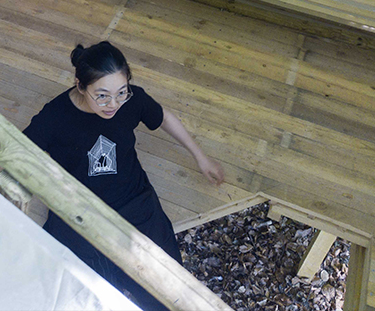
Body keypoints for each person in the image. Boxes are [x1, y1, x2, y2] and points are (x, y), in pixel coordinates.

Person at [23, 41, 224, 310]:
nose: (113, 104)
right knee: (81, 292)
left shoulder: (131, 101)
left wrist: (201, 157)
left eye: (121, 92)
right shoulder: (55, 116)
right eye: (102, 95)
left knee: (166, 287)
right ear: (80, 86)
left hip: (133, 199)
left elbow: (162, 116)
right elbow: (20, 153)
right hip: (80, 207)